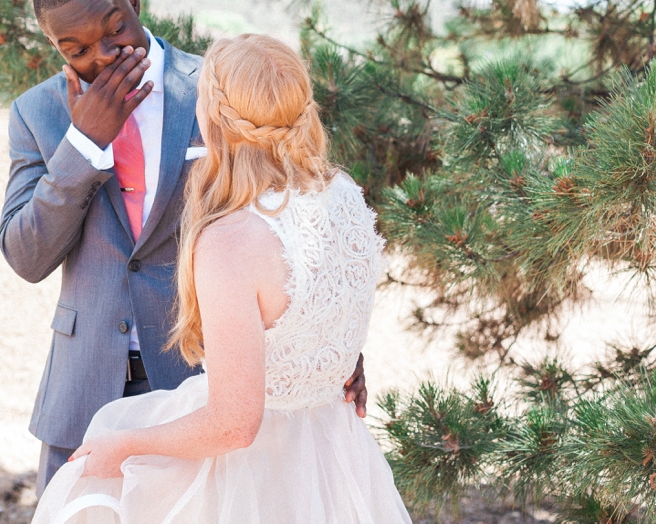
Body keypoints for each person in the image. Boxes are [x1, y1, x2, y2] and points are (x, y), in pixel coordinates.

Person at [0, 0, 368, 496]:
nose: (103, 58)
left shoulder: (216, 91)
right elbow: (25, 256)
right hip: (82, 391)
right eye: (75, 51)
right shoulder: (38, 114)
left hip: (202, 388)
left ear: (133, 0)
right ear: (55, 47)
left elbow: (296, 219)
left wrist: (327, 344)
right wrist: (83, 146)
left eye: (115, 31)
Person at [31, 34, 412, 523]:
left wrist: (123, 447)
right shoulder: (345, 197)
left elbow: (234, 425)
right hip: (334, 455)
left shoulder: (233, 240)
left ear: (212, 113)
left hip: (250, 478)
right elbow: (317, 317)